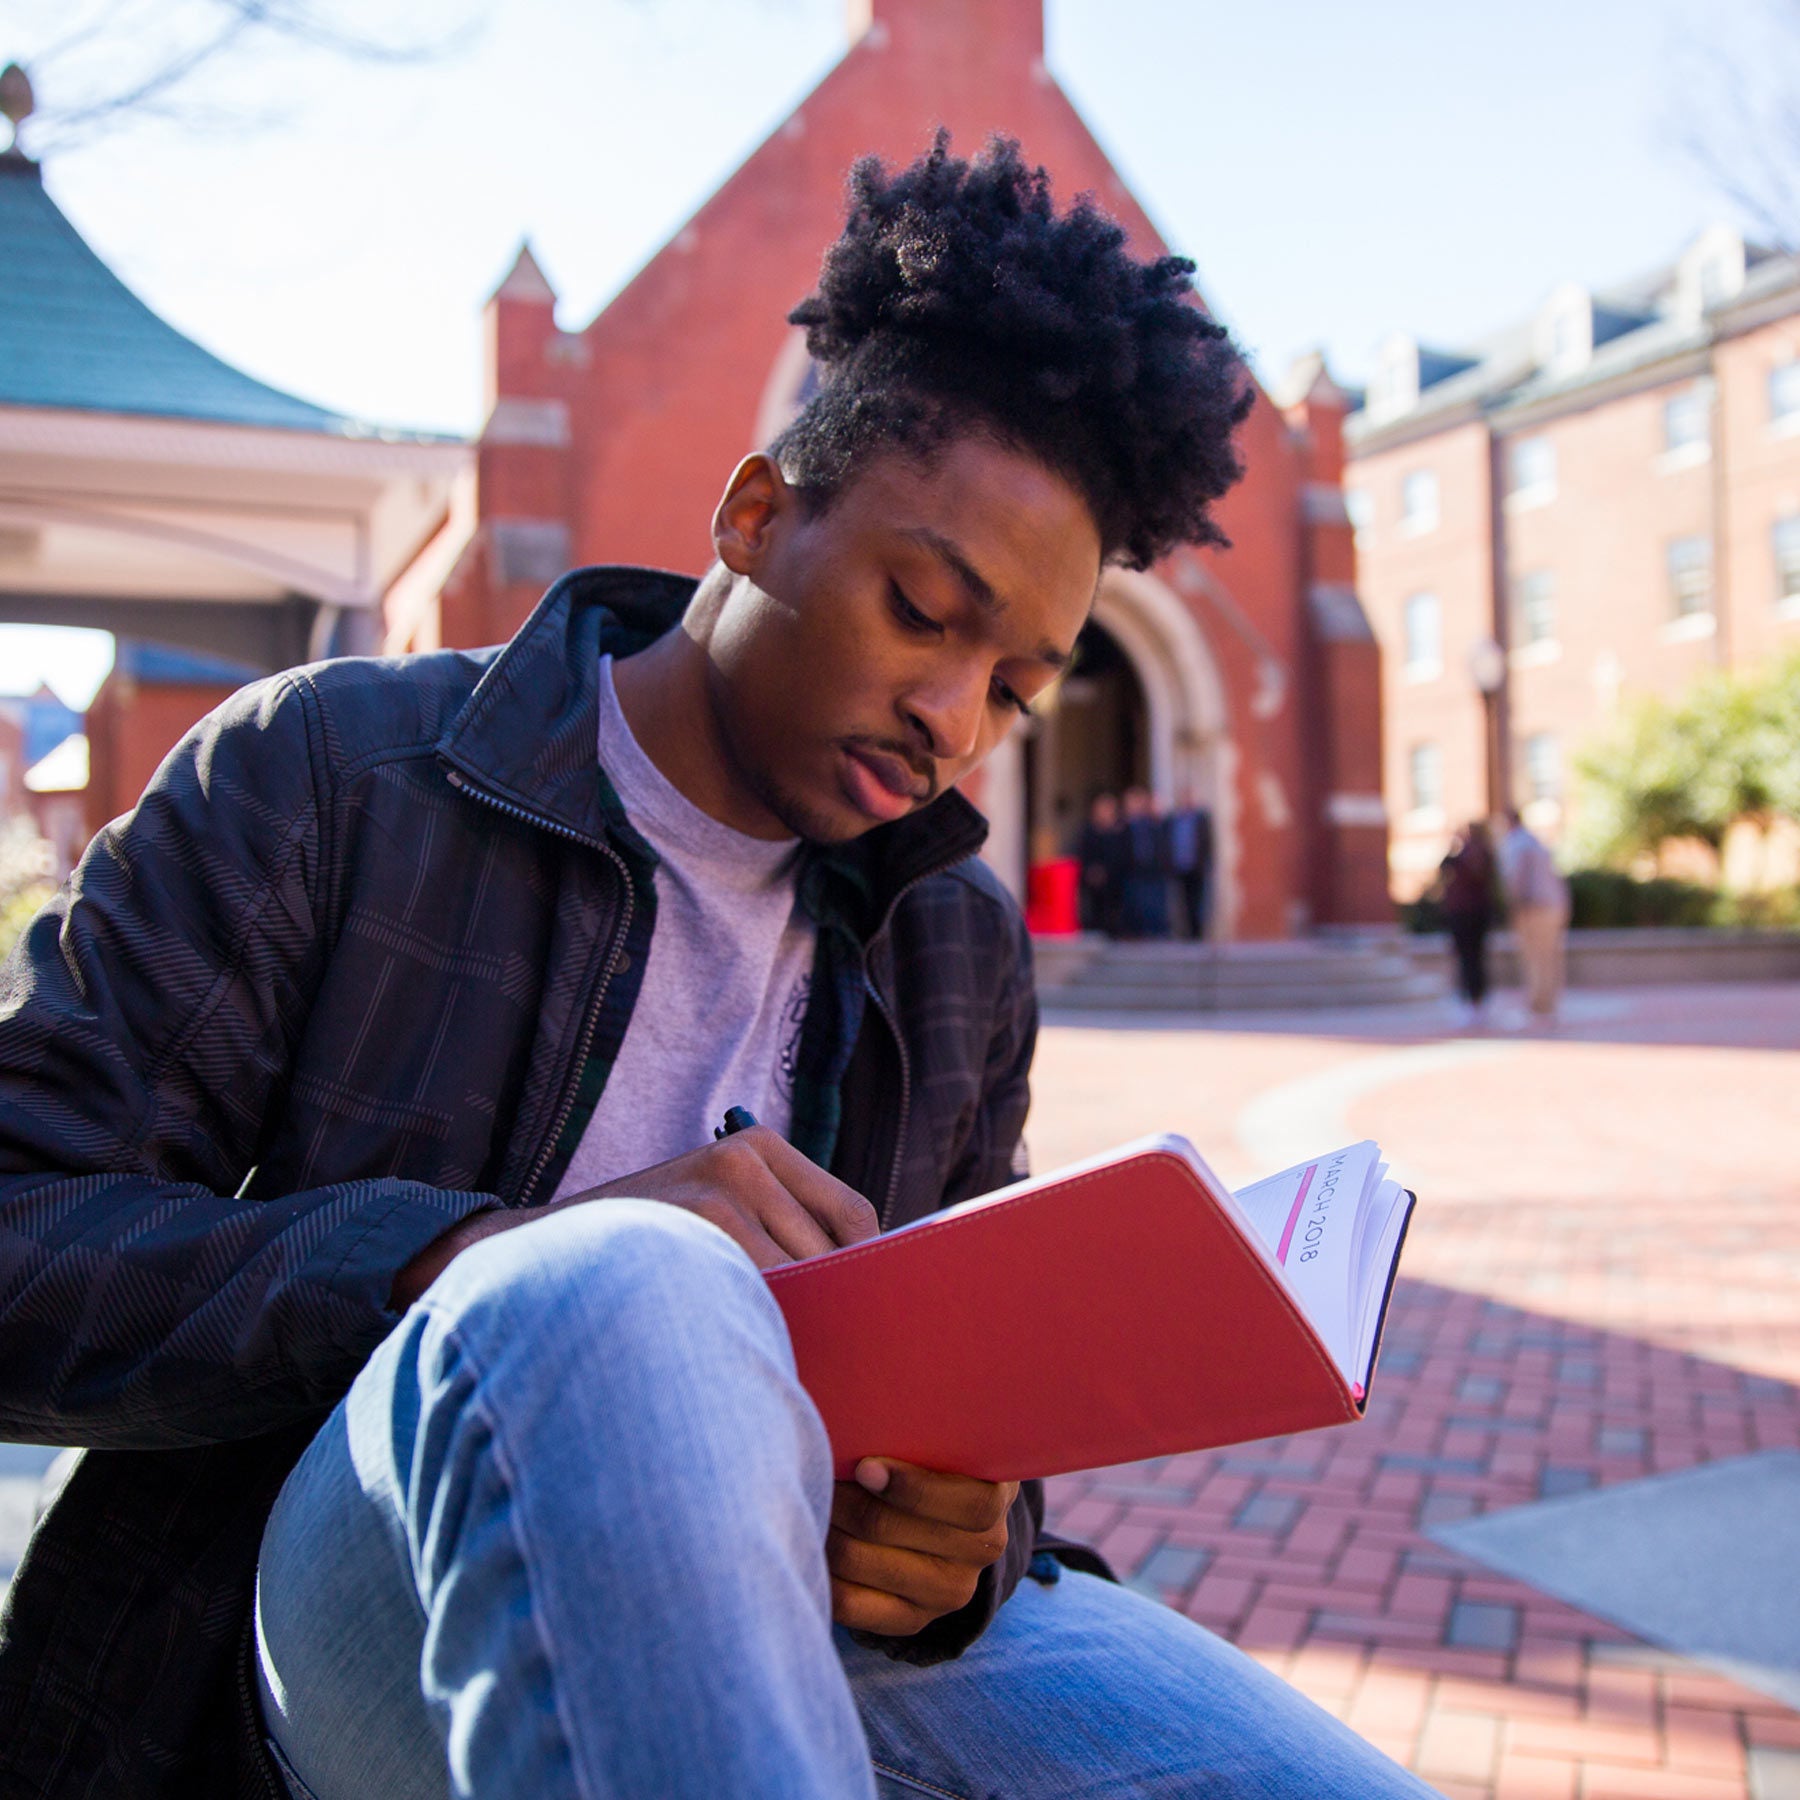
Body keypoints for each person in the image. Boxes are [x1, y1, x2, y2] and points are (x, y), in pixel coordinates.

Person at [0, 136, 1436, 1800]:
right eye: (921, 608)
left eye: (1021, 688)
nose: (955, 719)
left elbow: (980, 1408)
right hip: (307, 1627)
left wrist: (960, 1544)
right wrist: (460, 1262)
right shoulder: (333, 773)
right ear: (756, 517)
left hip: (800, 1634)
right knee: (629, 1285)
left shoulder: (953, 942)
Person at [1499, 809, 1570, 1019]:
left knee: (1533, 958)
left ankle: (1537, 1005)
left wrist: (1511, 905)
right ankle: (1549, 1002)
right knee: (1550, 957)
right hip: (1554, 906)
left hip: (1532, 907)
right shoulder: (1536, 842)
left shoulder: (1516, 844)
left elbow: (1516, 879)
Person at [1438, 818, 1499, 1021]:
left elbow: (1479, 875)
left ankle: (1475, 1000)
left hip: (1470, 912)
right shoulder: (1464, 853)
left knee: (1471, 957)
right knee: (1468, 957)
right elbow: (1443, 867)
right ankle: (1473, 998)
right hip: (1465, 912)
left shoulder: (1480, 853)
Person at [1119, 785, 1172, 938]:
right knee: (1135, 904)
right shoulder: (1123, 825)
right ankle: (1136, 932)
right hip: (1133, 870)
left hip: (1153, 870)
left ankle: (1157, 932)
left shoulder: (1155, 824)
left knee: (1155, 903)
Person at [1164, 787, 1214, 941]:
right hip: (1179, 867)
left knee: (1197, 901)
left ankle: (1197, 933)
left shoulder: (1201, 818)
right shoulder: (1173, 819)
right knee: (1182, 902)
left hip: (1196, 867)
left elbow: (1208, 843)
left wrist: (1206, 863)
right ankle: (1184, 933)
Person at [1075, 791, 1127, 935]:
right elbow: (1082, 853)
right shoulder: (1088, 831)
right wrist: (1091, 871)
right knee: (1094, 910)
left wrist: (1109, 871)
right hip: (1093, 879)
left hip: (1115, 878)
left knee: (1114, 910)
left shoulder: (1120, 831)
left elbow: (1123, 854)